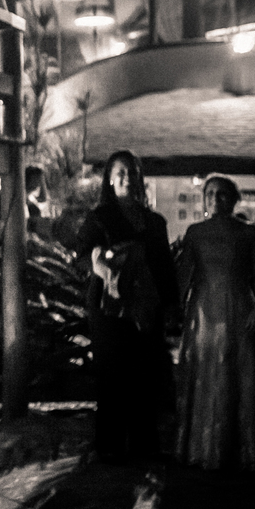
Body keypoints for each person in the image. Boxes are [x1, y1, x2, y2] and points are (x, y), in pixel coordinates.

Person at [76, 150, 179, 465]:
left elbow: (164, 266)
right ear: (109, 177)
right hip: (110, 307)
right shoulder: (99, 218)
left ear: (139, 177)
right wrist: (100, 265)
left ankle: (143, 442)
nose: (126, 178)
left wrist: (171, 305)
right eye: (120, 172)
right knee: (112, 371)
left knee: (144, 371)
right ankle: (109, 444)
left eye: (132, 172)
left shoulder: (154, 222)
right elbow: (82, 255)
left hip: (146, 305)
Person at [174, 176, 255, 471]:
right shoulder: (195, 233)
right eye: (210, 193)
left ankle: (236, 450)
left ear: (233, 198)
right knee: (204, 373)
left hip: (238, 306)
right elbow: (184, 275)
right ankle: (201, 447)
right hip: (203, 310)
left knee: (233, 374)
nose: (215, 199)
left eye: (222, 194)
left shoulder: (249, 234)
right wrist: (176, 309)